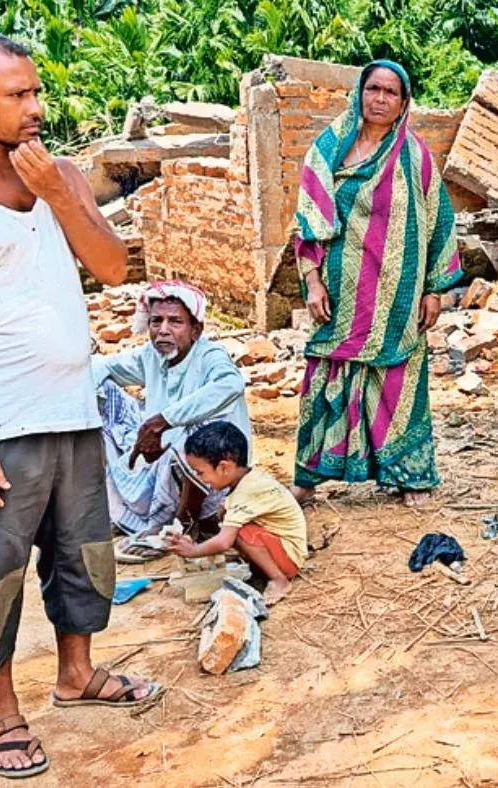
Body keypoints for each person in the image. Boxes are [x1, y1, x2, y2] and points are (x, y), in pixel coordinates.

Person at [0, 28, 160, 781]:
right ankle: (1, 714)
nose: (35, 108)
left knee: (84, 559)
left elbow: (112, 269)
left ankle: (77, 675)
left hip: (74, 414)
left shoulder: (59, 175)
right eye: (17, 95)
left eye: (37, 91)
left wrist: (59, 192)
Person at [292, 60, 462, 509]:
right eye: (373, 89)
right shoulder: (327, 148)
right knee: (325, 376)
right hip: (341, 293)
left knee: (397, 382)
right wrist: (312, 282)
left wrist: (433, 290)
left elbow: (439, 221)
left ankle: (410, 477)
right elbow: (307, 219)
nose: (380, 99)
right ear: (359, 93)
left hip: (399, 295)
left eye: (391, 92)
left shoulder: (416, 156)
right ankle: (308, 477)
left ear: (404, 103)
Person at [93, 280, 251, 558]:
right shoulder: (151, 355)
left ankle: (183, 524)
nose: (163, 330)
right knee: (99, 391)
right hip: (161, 460)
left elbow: (231, 385)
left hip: (213, 475)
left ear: (196, 330)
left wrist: (164, 420)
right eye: (156, 321)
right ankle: (123, 509)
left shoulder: (211, 356)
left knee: (196, 433)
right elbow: (101, 366)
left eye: (175, 322)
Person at [167, 421, 307, 606]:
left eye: (200, 472)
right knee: (227, 515)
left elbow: (224, 541)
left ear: (224, 467)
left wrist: (193, 551)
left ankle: (279, 579)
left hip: (290, 557)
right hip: (283, 546)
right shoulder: (249, 479)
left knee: (239, 531)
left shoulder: (246, 491)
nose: (199, 478)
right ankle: (260, 565)